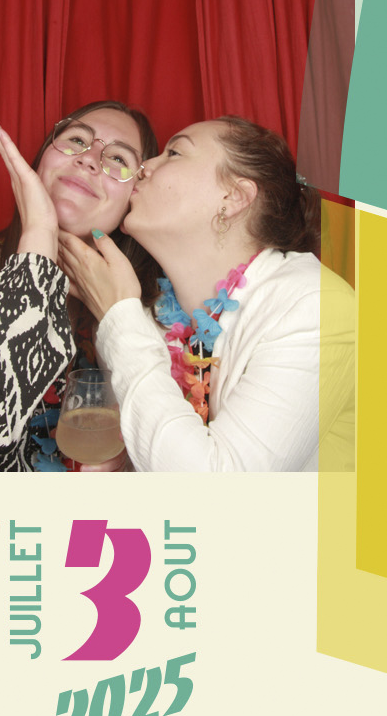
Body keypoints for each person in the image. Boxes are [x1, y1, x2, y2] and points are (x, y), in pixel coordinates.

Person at [28, 117, 356, 471]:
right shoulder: (149, 313)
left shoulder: (314, 305)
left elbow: (218, 494)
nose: (144, 167)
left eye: (174, 153)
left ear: (233, 197)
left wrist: (117, 316)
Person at [0, 102, 159, 472]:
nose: (89, 159)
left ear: (132, 202)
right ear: (41, 160)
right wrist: (40, 235)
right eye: (77, 140)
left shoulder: (142, 314)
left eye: (118, 159)